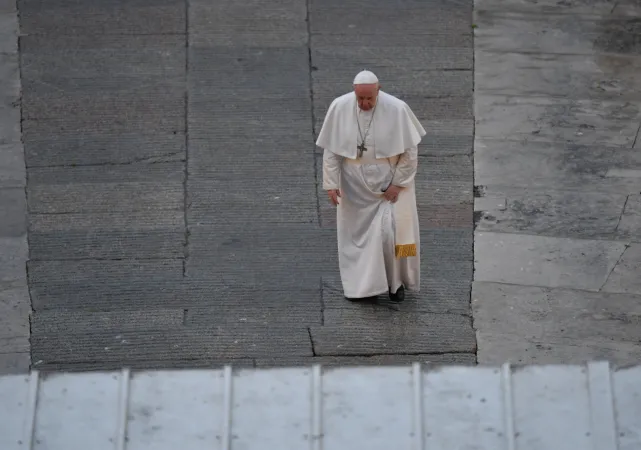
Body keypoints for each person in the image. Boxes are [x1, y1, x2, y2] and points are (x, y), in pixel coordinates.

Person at [316, 70, 426, 302]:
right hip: (354, 187)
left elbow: (410, 152)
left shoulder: (397, 109)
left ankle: (396, 284)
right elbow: (332, 151)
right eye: (360, 99)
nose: (364, 104)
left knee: (390, 234)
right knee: (357, 239)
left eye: (369, 99)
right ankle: (364, 288)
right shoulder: (339, 106)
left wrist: (398, 183)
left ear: (378, 90)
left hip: (388, 185)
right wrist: (331, 183)